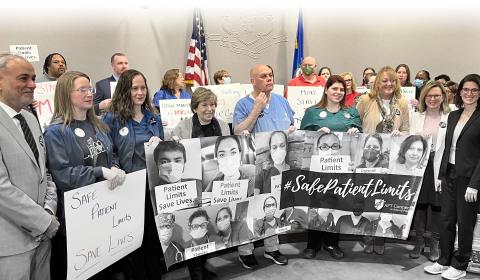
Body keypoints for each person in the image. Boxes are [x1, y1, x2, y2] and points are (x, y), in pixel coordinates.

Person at [44, 71, 127, 280]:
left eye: (90, 89)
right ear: (65, 94)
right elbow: (62, 176)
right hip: (78, 216)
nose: (89, 94)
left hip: (104, 210)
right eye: (82, 90)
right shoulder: (56, 132)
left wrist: (115, 167)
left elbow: (111, 154)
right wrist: (100, 172)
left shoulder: (98, 124)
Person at [0, 54, 59, 279]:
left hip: (43, 240)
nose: (33, 84)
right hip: (10, 246)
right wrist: (42, 222)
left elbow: (44, 173)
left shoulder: (31, 119)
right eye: (24, 78)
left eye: (34, 78)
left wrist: (48, 212)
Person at [102, 69, 164, 279]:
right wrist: (116, 167)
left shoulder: (153, 117)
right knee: (132, 243)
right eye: (134, 88)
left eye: (143, 88)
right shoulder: (112, 119)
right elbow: (109, 153)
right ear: (124, 90)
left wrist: (162, 146)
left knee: (153, 241)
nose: (140, 92)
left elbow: (163, 152)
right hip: (127, 189)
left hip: (152, 188)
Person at [424, 74, 480, 280]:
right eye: (466, 89)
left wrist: (475, 184)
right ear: (460, 92)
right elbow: (446, 148)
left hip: (469, 179)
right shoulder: (453, 116)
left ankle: (460, 264)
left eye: (474, 90)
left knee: (465, 222)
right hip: (449, 174)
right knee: (446, 220)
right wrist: (440, 175)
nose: (469, 94)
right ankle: (444, 260)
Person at [409, 81, 450, 261]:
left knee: (437, 205)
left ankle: (434, 243)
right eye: (429, 95)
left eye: (437, 96)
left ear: (443, 97)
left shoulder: (450, 116)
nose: (433, 99)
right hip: (420, 165)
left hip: (440, 165)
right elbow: (409, 140)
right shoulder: (416, 116)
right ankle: (418, 242)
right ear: (424, 97)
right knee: (420, 204)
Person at [232, 64, 295, 134]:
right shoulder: (242, 104)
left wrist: (292, 129)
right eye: (263, 76)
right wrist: (256, 110)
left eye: (270, 75)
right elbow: (238, 133)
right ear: (253, 81)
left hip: (282, 144)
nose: (269, 79)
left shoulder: (282, 100)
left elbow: (291, 124)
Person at [356, 65, 410, 135]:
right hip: (370, 144)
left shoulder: (402, 102)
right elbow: (356, 124)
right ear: (377, 83)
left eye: (393, 81)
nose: (389, 84)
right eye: (385, 81)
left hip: (393, 145)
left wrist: (400, 134)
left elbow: (405, 130)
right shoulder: (365, 100)